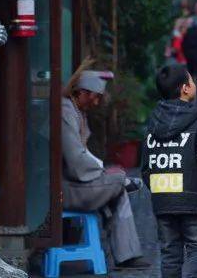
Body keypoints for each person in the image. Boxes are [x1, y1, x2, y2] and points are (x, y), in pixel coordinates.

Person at [143, 64, 197, 278]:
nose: (194, 84)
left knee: (170, 253)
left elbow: (146, 168)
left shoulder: (151, 126)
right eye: (191, 81)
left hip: (163, 200)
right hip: (194, 202)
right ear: (185, 88)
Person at [61, 69, 146, 269]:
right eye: (94, 97)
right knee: (118, 182)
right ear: (82, 92)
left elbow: (82, 156)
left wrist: (103, 171)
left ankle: (127, 255)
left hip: (73, 182)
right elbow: (75, 159)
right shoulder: (65, 112)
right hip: (66, 188)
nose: (96, 103)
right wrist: (104, 171)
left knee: (118, 187)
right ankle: (127, 255)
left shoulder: (75, 111)